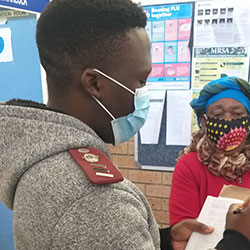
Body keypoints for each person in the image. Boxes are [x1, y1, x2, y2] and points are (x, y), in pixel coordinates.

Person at [0, 0, 249, 249]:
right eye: (140, 82)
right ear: (95, 84)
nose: (143, 94)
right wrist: (238, 239)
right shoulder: (95, 201)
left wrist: (161, 240)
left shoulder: (42, 163)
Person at [169, 77, 250, 226]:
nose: (227, 121)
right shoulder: (189, 166)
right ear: (205, 122)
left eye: (237, 114)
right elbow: (183, 230)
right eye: (218, 115)